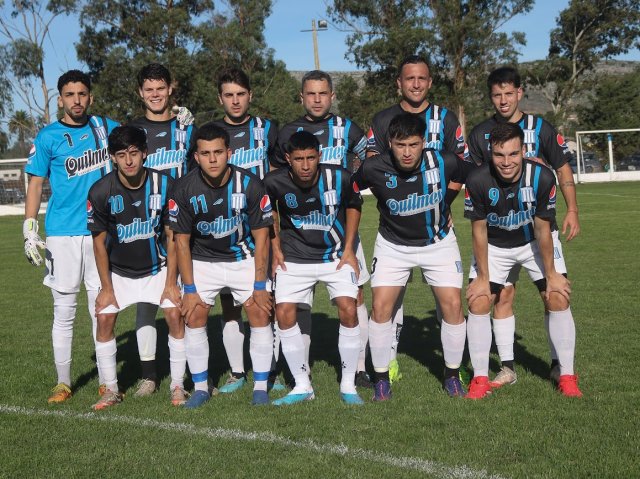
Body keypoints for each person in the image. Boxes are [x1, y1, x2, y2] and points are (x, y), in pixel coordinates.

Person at [466, 66, 579, 387]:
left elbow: (562, 168)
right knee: (500, 296)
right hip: (498, 233)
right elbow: (475, 180)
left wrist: (573, 209)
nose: (503, 100)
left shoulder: (540, 129)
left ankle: (560, 367)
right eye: (496, 95)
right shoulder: (479, 134)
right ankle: (506, 368)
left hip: (536, 231)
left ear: (519, 93)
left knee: (554, 294)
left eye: (508, 93)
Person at [366, 55, 468, 383]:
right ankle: (388, 362)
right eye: (409, 78)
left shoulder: (446, 119)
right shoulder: (383, 120)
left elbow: (461, 167)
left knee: (448, 301)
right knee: (389, 301)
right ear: (399, 83)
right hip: (394, 232)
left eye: (422, 78)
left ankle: (452, 367)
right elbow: (372, 166)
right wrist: (394, 201)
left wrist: (443, 204)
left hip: (436, 231)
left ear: (430, 82)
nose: (416, 84)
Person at [23, 70, 119, 403]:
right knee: (63, 311)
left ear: (90, 96)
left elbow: (140, 140)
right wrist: (29, 226)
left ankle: (107, 382)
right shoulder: (48, 136)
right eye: (69, 94)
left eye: (82, 94)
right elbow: (36, 182)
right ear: (60, 99)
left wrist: (179, 122)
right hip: (62, 234)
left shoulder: (106, 128)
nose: (76, 100)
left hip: (100, 232)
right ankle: (63, 382)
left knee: (101, 308)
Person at [275, 70, 372, 388]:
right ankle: (300, 371)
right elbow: (276, 178)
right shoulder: (288, 132)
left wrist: (354, 184)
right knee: (299, 301)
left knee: (355, 296)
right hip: (300, 231)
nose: (317, 100)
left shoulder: (348, 128)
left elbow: (370, 158)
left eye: (323, 93)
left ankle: (359, 368)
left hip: (340, 229)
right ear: (301, 97)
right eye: (311, 94)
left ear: (332, 96)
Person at [170, 123, 274, 408]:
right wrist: (189, 288)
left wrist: (260, 284)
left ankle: (261, 387)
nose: (212, 159)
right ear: (196, 157)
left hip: (243, 258)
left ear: (229, 153)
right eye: (205, 154)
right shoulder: (183, 188)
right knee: (194, 315)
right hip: (202, 260)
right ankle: (201, 387)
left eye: (218, 152)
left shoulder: (251, 184)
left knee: (259, 311)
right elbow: (181, 242)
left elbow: (262, 237)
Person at [87, 125, 187, 409]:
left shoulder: (166, 185)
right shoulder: (100, 191)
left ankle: (178, 385)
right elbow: (99, 243)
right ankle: (111, 389)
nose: (128, 160)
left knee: (174, 315)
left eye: (133, 153)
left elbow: (172, 236)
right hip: (118, 272)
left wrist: (171, 283)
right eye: (121, 155)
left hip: (158, 268)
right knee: (104, 319)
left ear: (145, 152)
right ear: (112, 158)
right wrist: (106, 288)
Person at [265, 131, 363, 405]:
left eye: (311, 158)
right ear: (288, 158)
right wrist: (276, 249)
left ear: (319, 156)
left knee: (349, 308)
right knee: (283, 313)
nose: (306, 165)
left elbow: (354, 206)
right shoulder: (273, 181)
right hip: (294, 257)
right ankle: (302, 385)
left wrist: (349, 248)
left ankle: (348, 385)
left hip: (335, 256)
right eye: (299, 159)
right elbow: (269, 213)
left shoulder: (341, 177)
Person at [120, 63, 196, 397]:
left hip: (183, 224)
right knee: (146, 303)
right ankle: (149, 376)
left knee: (189, 299)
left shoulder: (186, 127)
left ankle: (195, 374)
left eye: (160, 88)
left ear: (170, 89)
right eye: (149, 89)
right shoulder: (131, 130)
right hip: (146, 225)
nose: (155, 94)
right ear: (141, 93)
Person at [211, 67, 280, 394]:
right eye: (229, 95)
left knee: (267, 301)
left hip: (263, 225)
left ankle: (272, 370)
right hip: (227, 228)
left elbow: (278, 175)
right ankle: (237, 372)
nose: (235, 101)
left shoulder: (267, 128)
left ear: (250, 95)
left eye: (241, 94)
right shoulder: (212, 133)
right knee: (230, 305)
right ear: (220, 99)